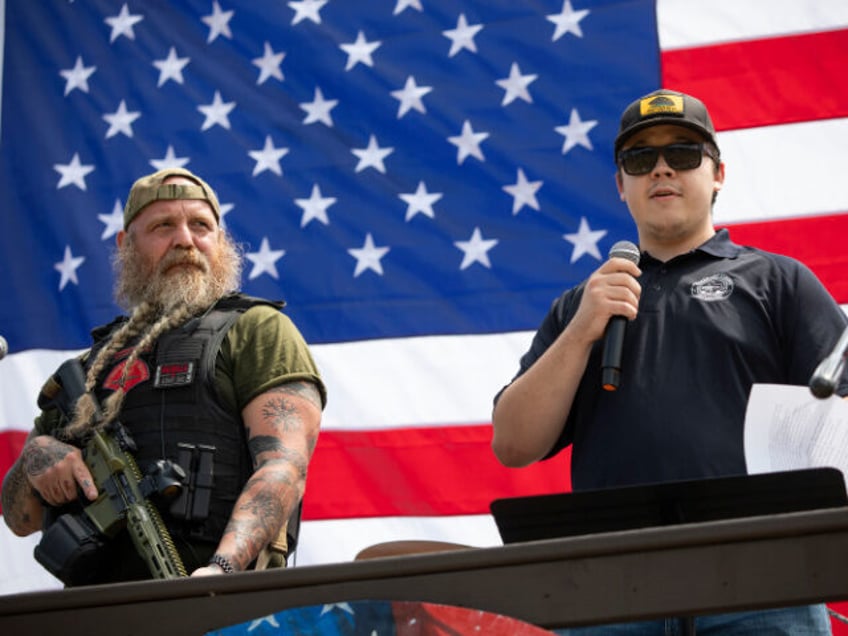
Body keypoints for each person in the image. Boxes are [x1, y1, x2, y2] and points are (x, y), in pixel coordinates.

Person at [492, 89, 848, 634]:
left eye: (683, 153)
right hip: (611, 592)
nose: (661, 168)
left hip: (764, 584)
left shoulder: (779, 282)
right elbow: (513, 444)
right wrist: (584, 329)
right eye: (640, 159)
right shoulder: (581, 304)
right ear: (621, 185)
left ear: (718, 174)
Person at [1, 167, 326, 584]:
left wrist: (222, 569)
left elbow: (283, 468)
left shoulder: (256, 329)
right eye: (163, 226)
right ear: (127, 245)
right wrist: (35, 457)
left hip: (222, 600)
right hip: (94, 609)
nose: (185, 241)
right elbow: (19, 519)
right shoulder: (90, 369)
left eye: (200, 226)